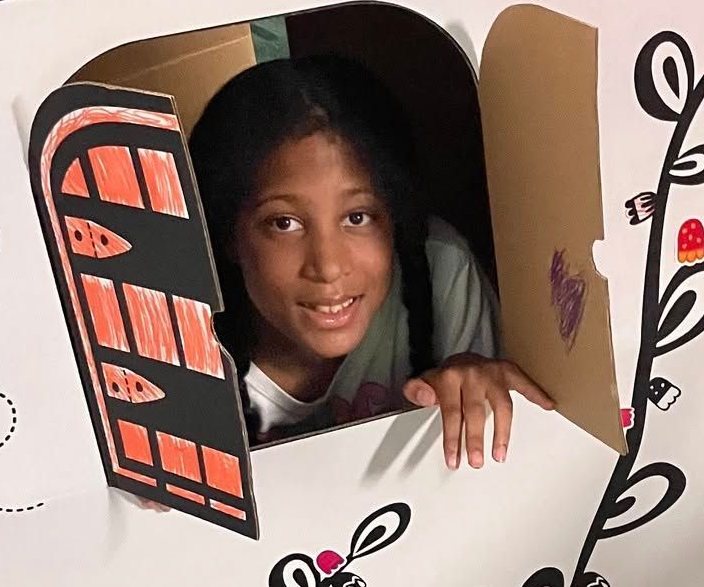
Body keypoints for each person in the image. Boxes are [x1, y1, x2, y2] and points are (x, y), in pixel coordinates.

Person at [188, 55, 552, 470]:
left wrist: (473, 379)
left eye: (356, 217)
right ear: (228, 236)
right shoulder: (182, 352)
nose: (327, 267)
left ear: (394, 214)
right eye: (283, 223)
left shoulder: (439, 269)